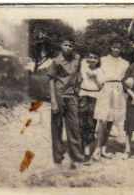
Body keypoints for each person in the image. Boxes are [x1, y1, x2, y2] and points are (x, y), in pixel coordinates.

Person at [48, 37, 87, 165]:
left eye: (70, 46)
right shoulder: (55, 61)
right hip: (59, 95)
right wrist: (53, 101)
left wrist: (79, 92)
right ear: (61, 45)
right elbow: (51, 81)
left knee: (74, 126)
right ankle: (58, 156)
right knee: (57, 126)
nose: (68, 48)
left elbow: (79, 76)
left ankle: (77, 155)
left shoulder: (77, 59)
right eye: (65, 45)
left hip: (72, 96)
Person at [92, 37, 129, 161]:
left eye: (118, 48)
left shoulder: (124, 63)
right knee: (103, 120)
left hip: (118, 90)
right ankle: (97, 148)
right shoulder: (102, 60)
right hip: (106, 88)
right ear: (110, 48)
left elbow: (126, 78)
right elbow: (95, 72)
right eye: (114, 47)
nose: (116, 50)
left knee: (111, 120)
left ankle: (104, 148)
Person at [79, 49, 102, 157]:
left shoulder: (100, 70)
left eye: (95, 58)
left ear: (98, 60)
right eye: (91, 57)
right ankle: (82, 144)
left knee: (91, 120)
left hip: (94, 95)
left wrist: (95, 77)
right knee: (81, 120)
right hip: (83, 94)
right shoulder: (83, 67)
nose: (92, 60)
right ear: (87, 59)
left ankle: (88, 144)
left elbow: (101, 86)